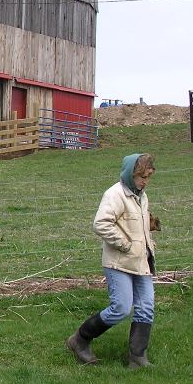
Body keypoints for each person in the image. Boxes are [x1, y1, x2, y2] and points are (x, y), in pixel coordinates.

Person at [66, 153, 157, 368]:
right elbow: (101, 223)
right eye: (140, 176)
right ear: (129, 174)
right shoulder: (115, 194)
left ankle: (137, 358)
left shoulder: (141, 195)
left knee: (146, 308)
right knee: (121, 308)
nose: (144, 181)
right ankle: (79, 340)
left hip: (141, 261)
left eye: (148, 176)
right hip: (118, 262)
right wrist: (125, 244)